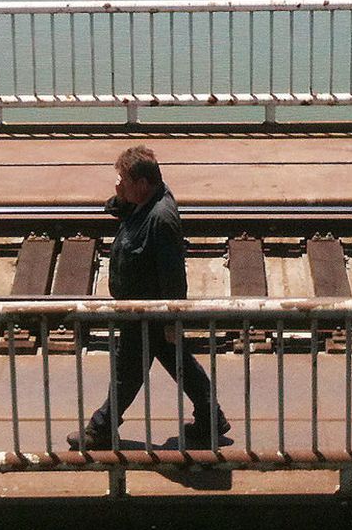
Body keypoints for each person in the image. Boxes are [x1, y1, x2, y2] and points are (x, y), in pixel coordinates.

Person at [68, 146, 231, 450]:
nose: (120, 185)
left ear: (142, 184)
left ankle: (101, 428)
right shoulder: (145, 201)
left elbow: (173, 276)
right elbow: (117, 209)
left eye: (125, 181)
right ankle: (211, 419)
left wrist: (171, 318)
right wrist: (120, 195)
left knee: (126, 373)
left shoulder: (161, 218)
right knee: (180, 364)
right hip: (141, 309)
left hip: (149, 312)